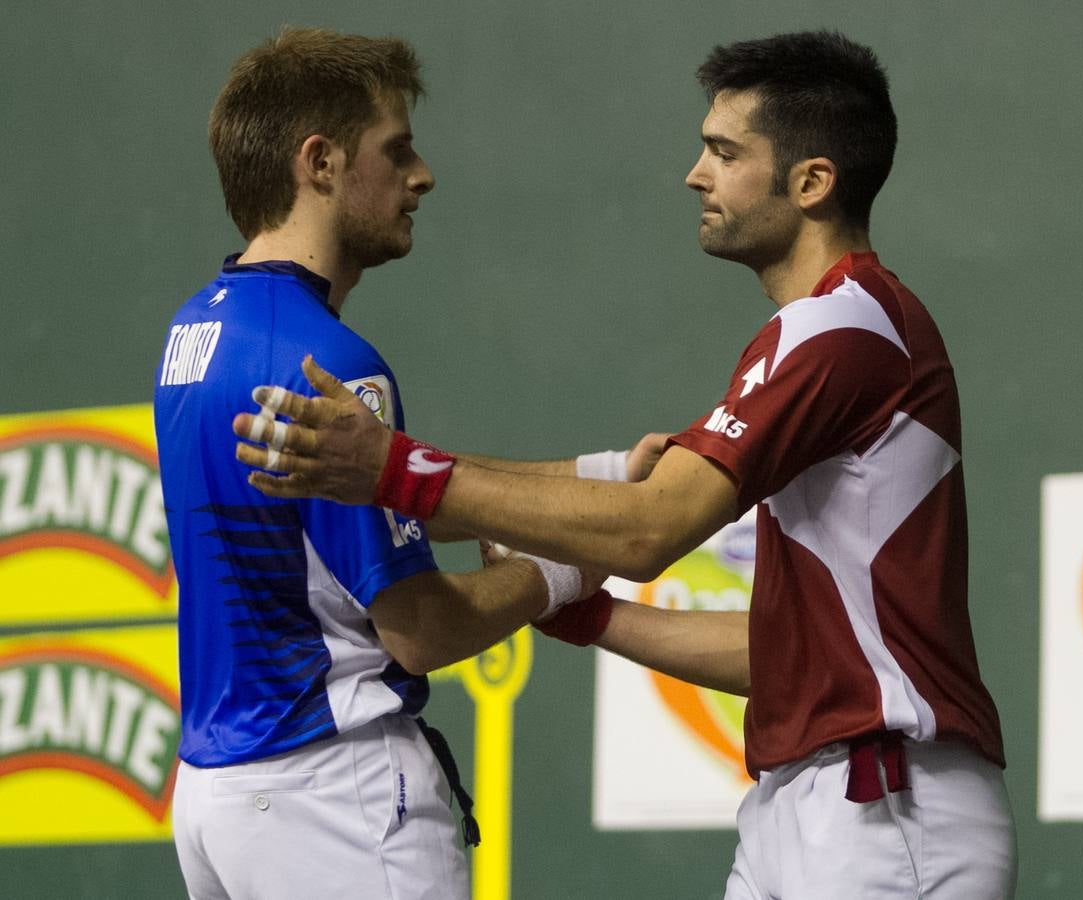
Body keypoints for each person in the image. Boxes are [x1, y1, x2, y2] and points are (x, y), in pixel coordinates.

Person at [232, 31, 1018, 899]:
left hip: (885, 806)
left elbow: (651, 529)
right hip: (809, 805)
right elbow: (784, 653)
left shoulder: (843, 329)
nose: (695, 174)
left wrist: (396, 472)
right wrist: (587, 615)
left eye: (724, 153)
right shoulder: (821, 334)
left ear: (811, 183)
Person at [153, 27, 616, 900]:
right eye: (396, 150)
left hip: (219, 804)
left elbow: (349, 510)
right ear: (320, 163)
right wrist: (562, 571)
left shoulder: (194, 334)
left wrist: (600, 477)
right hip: (337, 801)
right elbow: (419, 630)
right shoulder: (333, 365)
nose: (421, 175)